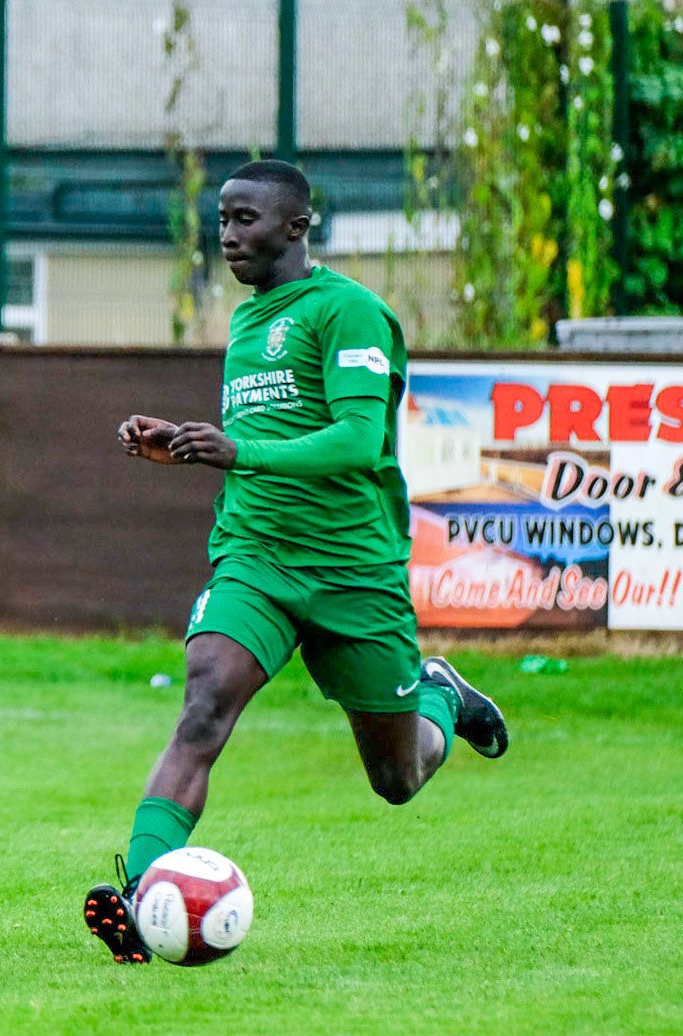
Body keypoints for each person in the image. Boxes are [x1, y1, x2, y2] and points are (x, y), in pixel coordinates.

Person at [84, 159, 507, 964]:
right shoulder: (248, 322)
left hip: (354, 569)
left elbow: (354, 440)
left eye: (245, 219)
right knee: (204, 701)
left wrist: (237, 447)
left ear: (297, 226)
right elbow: (267, 447)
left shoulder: (350, 313)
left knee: (398, 777)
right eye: (222, 222)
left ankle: (442, 702)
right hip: (258, 556)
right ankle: (142, 896)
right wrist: (188, 448)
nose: (229, 236)